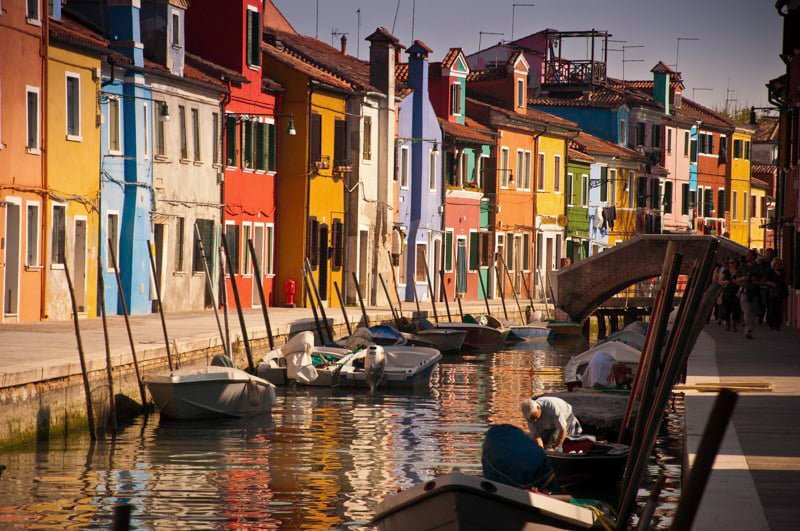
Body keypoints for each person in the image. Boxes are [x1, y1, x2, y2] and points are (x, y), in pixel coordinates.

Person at [766, 258, 788, 330]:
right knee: (772, 308)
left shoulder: (782, 271)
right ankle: (771, 323)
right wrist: (772, 284)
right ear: (774, 264)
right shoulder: (770, 271)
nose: (779, 265)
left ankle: (777, 324)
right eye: (778, 264)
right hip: (772, 291)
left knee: (778, 308)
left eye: (780, 264)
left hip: (779, 291)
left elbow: (784, 280)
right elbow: (766, 281)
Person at [719, 258, 741, 332]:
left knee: (735, 309)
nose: (731, 264)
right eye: (730, 263)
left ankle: (734, 325)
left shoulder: (738, 272)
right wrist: (725, 282)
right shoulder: (725, 271)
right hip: (727, 292)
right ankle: (727, 325)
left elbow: (741, 282)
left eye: (732, 262)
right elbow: (720, 281)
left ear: (736, 263)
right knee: (727, 309)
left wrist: (735, 282)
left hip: (736, 292)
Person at [738, 268, 759, 339]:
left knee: (752, 315)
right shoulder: (745, 284)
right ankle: (748, 330)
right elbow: (740, 291)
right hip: (746, 297)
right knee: (747, 313)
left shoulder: (756, 284)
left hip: (753, 297)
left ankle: (749, 330)